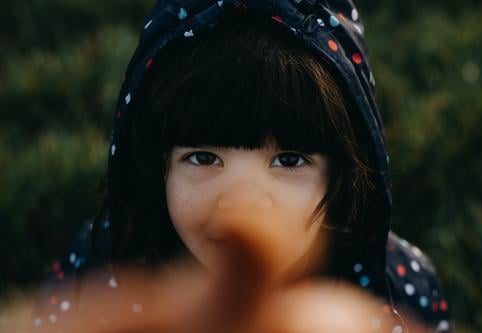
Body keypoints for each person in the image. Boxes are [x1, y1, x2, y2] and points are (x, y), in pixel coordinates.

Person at [32, 1, 451, 332]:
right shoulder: (99, 283)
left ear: (338, 175)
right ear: (157, 164)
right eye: (203, 158)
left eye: (289, 160)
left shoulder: (391, 297)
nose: (243, 203)